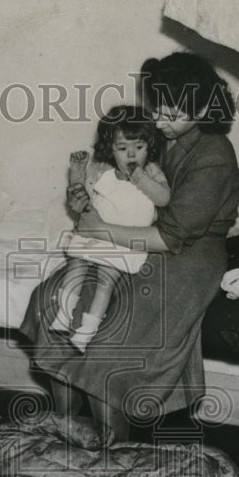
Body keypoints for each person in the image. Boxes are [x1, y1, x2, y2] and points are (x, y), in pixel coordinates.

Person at [21, 52, 239, 440]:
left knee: (110, 337)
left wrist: (101, 229)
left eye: (171, 115)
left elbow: (169, 237)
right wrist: (83, 201)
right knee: (54, 297)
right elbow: (118, 185)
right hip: (132, 231)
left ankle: (112, 453)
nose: (159, 121)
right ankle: (67, 427)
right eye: (158, 109)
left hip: (186, 254)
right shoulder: (161, 134)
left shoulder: (214, 156)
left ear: (205, 108)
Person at [49, 105, 170, 352]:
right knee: (76, 265)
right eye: (123, 148)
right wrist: (76, 174)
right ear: (110, 149)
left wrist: (141, 179)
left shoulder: (151, 171)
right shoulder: (104, 171)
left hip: (125, 238)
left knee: (106, 278)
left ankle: (86, 331)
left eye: (139, 147)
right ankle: (63, 314)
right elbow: (82, 196)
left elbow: (163, 198)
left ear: (150, 145)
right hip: (97, 233)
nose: (132, 155)